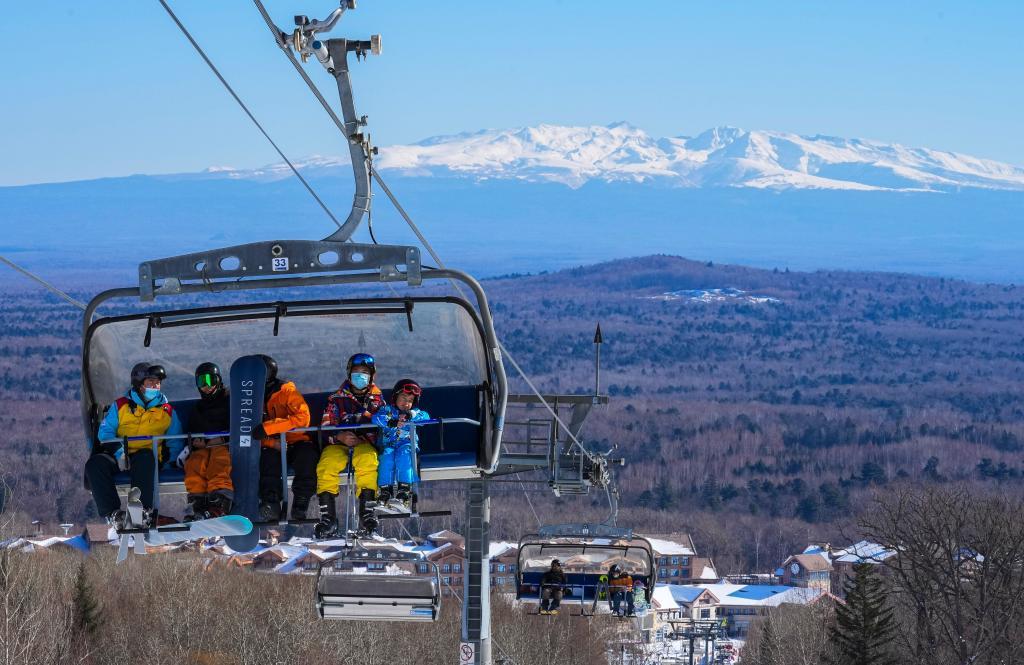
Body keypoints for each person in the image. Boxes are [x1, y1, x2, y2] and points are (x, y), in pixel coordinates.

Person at [85, 362, 183, 528]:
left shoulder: (167, 411)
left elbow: (176, 440)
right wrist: (119, 454)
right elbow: (105, 432)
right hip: (121, 455)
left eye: (158, 382)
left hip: (148, 457)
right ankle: (114, 514)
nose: (155, 386)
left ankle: (141, 512)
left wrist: (171, 462)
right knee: (95, 464)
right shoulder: (121, 406)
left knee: (144, 458)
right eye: (151, 382)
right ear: (139, 383)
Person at [314, 353, 385, 538]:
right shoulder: (336, 399)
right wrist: (340, 436)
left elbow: (382, 425)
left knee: (368, 461)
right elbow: (326, 425)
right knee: (326, 464)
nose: (360, 376)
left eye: (364, 372)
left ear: (372, 376)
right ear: (349, 373)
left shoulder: (377, 401)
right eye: (356, 372)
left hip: (364, 444)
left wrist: (365, 436)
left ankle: (367, 514)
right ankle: (328, 518)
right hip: (338, 444)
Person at [254, 355, 318, 521]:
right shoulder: (249, 398)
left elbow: (303, 418)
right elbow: (249, 432)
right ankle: (271, 502)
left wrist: (269, 427)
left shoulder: (286, 392)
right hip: (271, 445)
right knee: (267, 459)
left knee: (307, 457)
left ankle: (301, 502)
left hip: (296, 441)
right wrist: (270, 441)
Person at [175, 362, 233, 521]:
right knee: (195, 462)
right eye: (202, 382)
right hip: (204, 447)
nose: (207, 386)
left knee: (218, 459)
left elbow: (240, 425)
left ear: (219, 380)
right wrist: (196, 442)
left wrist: (223, 439)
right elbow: (192, 431)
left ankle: (219, 502)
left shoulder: (231, 400)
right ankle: (198, 502)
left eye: (211, 380)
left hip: (226, 446)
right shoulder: (198, 408)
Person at [372, 378, 430, 510]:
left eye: (410, 401)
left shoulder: (414, 413)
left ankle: (404, 490)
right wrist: (390, 422)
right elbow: (376, 418)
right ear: (395, 397)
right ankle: (384, 491)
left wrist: (411, 415)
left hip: (407, 444)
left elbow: (426, 417)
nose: (406, 403)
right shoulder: (387, 410)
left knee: (404, 457)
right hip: (389, 444)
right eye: (403, 398)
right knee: (386, 458)